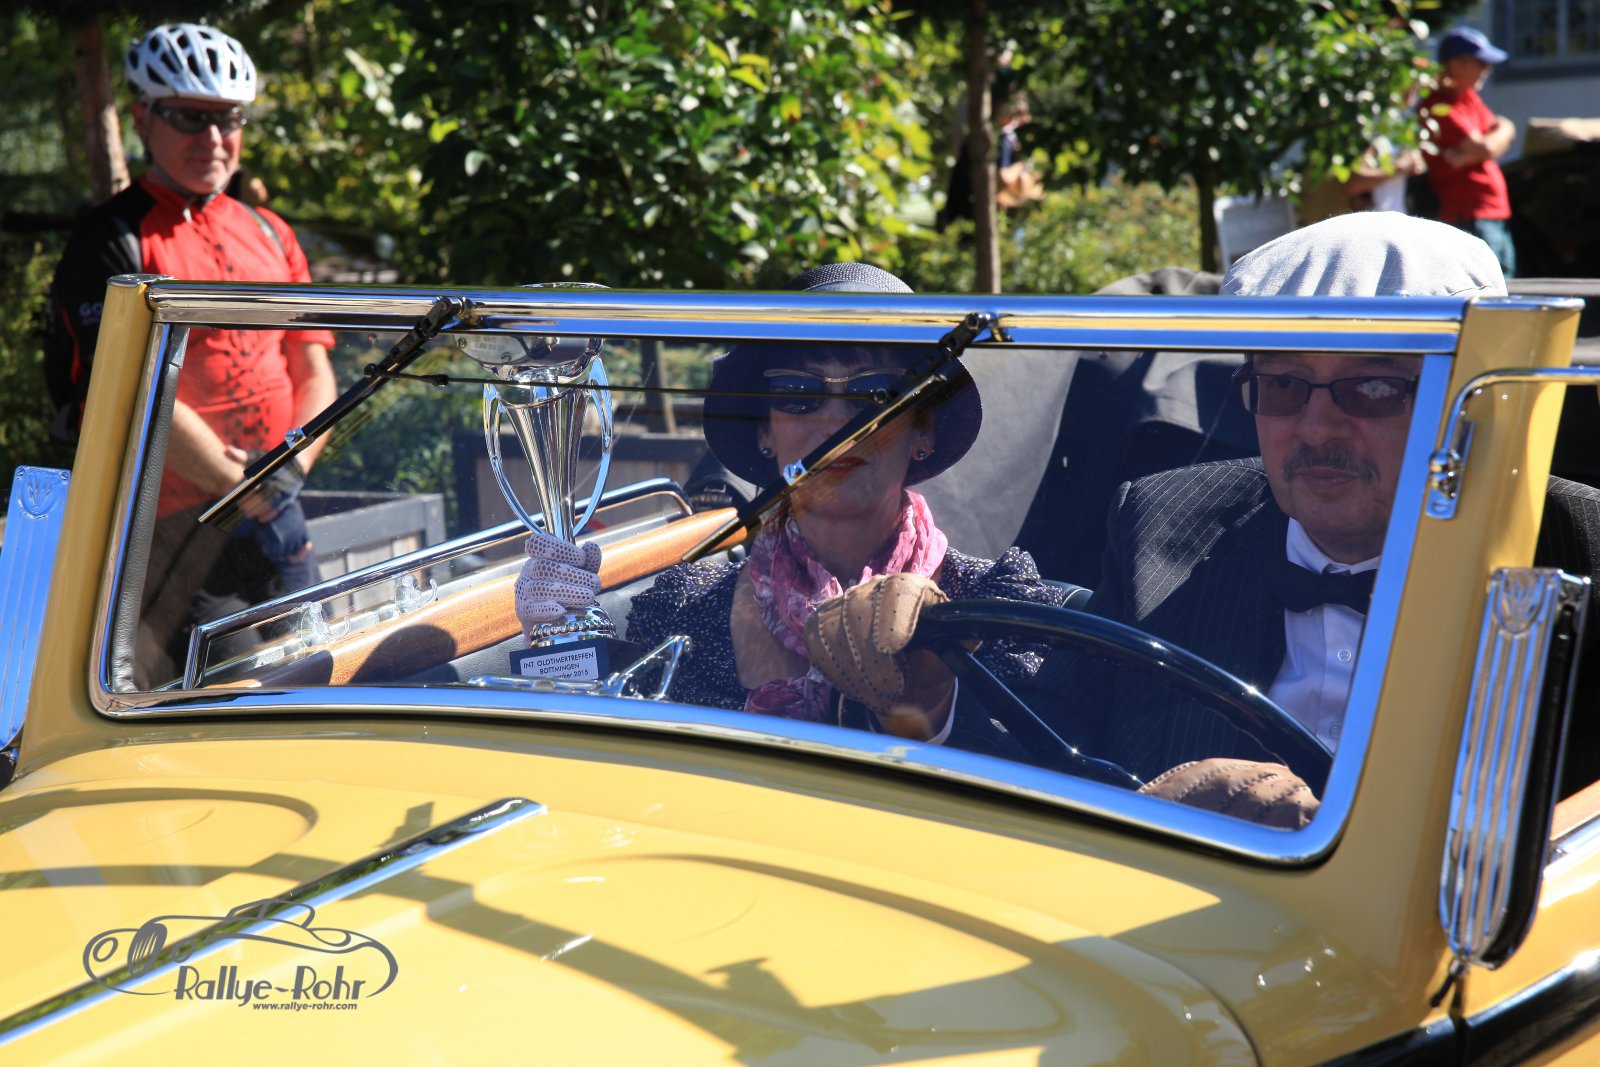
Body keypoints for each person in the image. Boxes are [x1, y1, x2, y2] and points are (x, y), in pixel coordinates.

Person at [808, 213, 1600, 823]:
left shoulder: (1576, 547)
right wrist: (932, 697)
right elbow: (1062, 740)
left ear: (1464, 401)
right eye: (1284, 384)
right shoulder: (1162, 525)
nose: (1317, 428)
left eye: (1372, 387)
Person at [514, 262, 1063, 752]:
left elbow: (1049, 776)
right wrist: (560, 654)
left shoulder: (996, 607)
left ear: (923, 428)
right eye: (800, 392)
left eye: (875, 394)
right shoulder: (681, 607)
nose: (836, 423)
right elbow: (622, 773)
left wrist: (931, 703)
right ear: (764, 432)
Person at [43, 23, 338, 682]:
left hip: (280, 516)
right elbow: (130, 392)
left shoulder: (270, 230)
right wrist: (248, 488)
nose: (212, 138)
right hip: (175, 536)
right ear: (142, 117)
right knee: (240, 702)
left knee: (323, 679)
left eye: (227, 119)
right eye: (188, 117)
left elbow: (312, 364)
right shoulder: (111, 241)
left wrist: (290, 468)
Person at [1418, 26, 1518, 277]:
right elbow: (1487, 146)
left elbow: (1505, 130)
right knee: (1485, 288)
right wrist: (1490, 143)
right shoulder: (1437, 106)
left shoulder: (1468, 98)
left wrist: (1503, 130)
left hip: (1491, 214)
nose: (1487, 69)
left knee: (1505, 287)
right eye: (1481, 63)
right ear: (1455, 65)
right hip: (1469, 216)